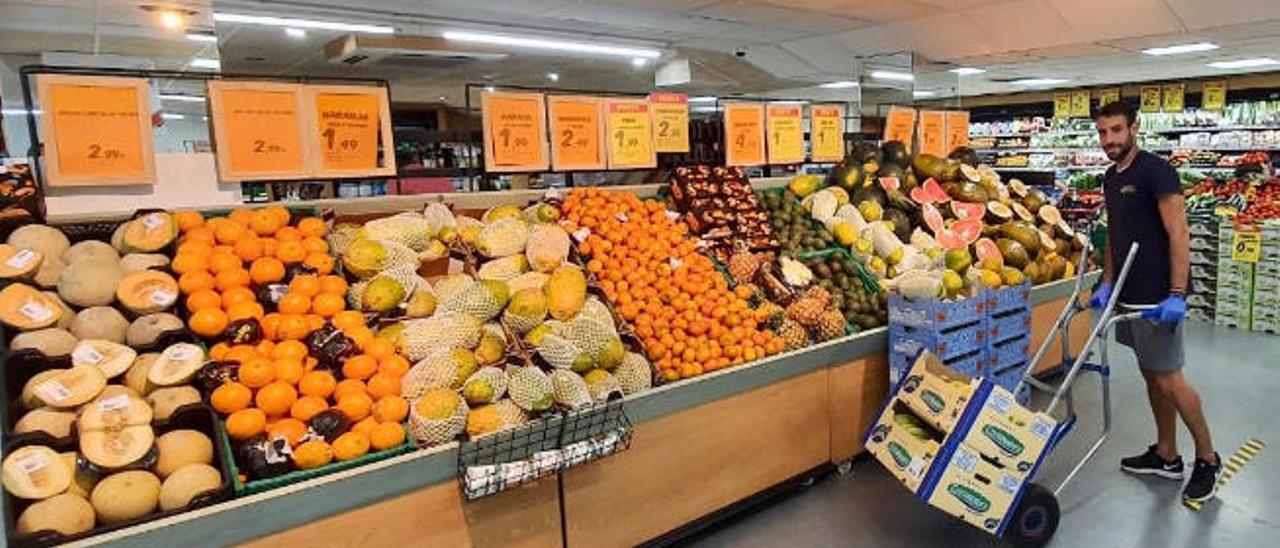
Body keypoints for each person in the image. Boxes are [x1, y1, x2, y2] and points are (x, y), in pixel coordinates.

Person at [1088, 101, 1220, 502]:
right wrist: (1107, 283)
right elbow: (1115, 234)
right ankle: (1166, 454)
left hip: (1159, 297)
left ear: (1133, 129)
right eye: (1103, 132)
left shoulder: (1156, 170)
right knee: (1151, 375)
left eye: (1116, 130)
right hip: (1129, 293)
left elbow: (1179, 234)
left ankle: (1208, 458)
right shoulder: (1111, 177)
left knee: (1170, 378)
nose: (1109, 139)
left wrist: (1177, 295)